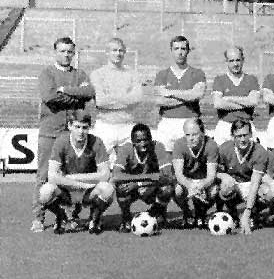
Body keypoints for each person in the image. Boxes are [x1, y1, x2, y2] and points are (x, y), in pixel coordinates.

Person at [32, 36, 95, 233]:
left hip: (72, 135)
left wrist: (65, 91)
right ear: (55, 52)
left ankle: (71, 216)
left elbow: (90, 92)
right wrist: (75, 98)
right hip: (50, 132)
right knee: (44, 175)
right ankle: (38, 217)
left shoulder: (80, 73)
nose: (66, 55)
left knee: (72, 176)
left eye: (70, 52)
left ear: (74, 53)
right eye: (62, 51)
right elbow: (49, 97)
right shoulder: (47, 73)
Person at [38, 111, 114, 234]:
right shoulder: (61, 142)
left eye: (85, 127)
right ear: (69, 126)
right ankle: (61, 216)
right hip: (66, 191)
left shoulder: (96, 142)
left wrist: (71, 177)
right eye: (77, 127)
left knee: (108, 189)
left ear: (89, 127)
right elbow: (52, 176)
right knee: (45, 192)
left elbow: (105, 175)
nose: (81, 132)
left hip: (89, 191)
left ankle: (94, 219)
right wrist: (80, 184)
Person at [90, 38, 144, 167]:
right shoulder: (98, 74)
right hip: (105, 125)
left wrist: (112, 98)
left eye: (121, 50)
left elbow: (137, 98)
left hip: (127, 125)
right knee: (100, 164)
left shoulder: (132, 74)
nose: (118, 53)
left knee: (130, 164)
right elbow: (101, 101)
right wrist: (126, 99)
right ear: (107, 52)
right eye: (114, 50)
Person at [112, 123, 175, 232]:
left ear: (151, 139)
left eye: (146, 140)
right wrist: (148, 178)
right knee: (121, 187)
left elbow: (167, 176)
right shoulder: (126, 148)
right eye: (139, 141)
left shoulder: (158, 147)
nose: (143, 144)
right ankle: (126, 218)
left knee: (167, 189)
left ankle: (157, 212)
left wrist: (139, 183)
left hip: (150, 188)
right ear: (133, 142)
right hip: (133, 188)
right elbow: (116, 175)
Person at [154, 36, 206, 153]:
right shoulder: (162, 74)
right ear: (171, 51)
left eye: (183, 48)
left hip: (190, 121)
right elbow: (160, 100)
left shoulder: (197, 73)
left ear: (188, 51)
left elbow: (197, 95)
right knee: (165, 158)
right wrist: (188, 95)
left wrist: (170, 93)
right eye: (176, 48)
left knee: (189, 159)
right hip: (167, 121)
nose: (180, 52)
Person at [217, 119, 270, 234]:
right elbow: (214, 172)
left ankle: (253, 215)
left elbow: (255, 182)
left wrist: (248, 211)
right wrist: (223, 176)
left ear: (250, 134)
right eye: (238, 136)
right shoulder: (224, 149)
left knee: (268, 192)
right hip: (234, 184)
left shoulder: (259, 151)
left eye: (245, 135)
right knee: (225, 186)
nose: (242, 139)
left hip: (250, 184)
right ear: (232, 136)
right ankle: (233, 215)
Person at [172, 118, 219, 228]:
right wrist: (191, 186)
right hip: (187, 180)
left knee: (214, 191)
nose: (191, 138)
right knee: (178, 190)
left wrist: (200, 186)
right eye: (188, 135)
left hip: (204, 179)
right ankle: (186, 212)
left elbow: (211, 176)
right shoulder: (179, 144)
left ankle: (201, 213)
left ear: (203, 133)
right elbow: (179, 175)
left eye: (195, 134)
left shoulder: (211, 145)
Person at [212, 47, 260, 145]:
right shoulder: (219, 80)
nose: (235, 64)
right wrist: (244, 102)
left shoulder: (251, 79)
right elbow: (218, 104)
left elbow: (253, 102)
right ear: (226, 62)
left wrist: (229, 99)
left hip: (246, 125)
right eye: (231, 60)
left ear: (243, 60)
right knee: (221, 157)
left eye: (238, 60)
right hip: (225, 125)